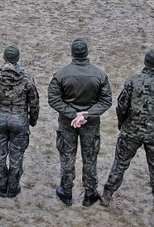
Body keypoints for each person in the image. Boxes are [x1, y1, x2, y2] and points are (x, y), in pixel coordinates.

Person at [103, 48, 154, 207]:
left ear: (145, 62)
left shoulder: (132, 81)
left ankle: (107, 194)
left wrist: (121, 124)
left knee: (120, 164)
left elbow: (122, 106)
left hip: (131, 131)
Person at [48, 38, 113, 206]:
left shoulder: (61, 74)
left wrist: (73, 114)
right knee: (90, 158)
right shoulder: (99, 75)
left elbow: (53, 99)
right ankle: (90, 193)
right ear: (86, 53)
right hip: (90, 124)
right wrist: (86, 115)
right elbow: (106, 101)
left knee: (67, 157)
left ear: (72, 53)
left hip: (67, 123)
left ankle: (66, 191)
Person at [0, 45, 40, 198]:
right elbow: (34, 103)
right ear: (17, 59)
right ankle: (13, 188)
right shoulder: (27, 79)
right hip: (19, 120)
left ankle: (1, 187)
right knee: (16, 156)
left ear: (4, 58)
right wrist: (32, 120)